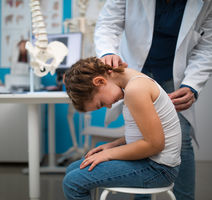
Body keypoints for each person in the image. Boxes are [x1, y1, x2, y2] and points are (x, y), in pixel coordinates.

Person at [94, 1, 212, 199]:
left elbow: (208, 45)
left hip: (174, 77)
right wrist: (107, 52)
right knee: (138, 137)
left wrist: (192, 84)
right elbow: (108, 23)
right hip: (135, 69)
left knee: (181, 140)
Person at [62, 57, 182, 200]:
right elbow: (146, 133)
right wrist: (114, 144)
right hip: (152, 162)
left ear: (100, 81)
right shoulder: (133, 83)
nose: (108, 106)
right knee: (72, 169)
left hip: (158, 169)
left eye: (101, 103)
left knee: (73, 182)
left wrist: (109, 154)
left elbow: (155, 144)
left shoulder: (135, 90)